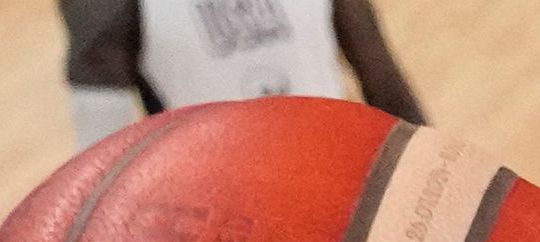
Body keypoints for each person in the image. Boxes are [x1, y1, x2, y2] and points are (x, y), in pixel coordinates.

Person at [61, 0, 424, 155]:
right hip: (219, 223)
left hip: (344, 182)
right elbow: (98, 173)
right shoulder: (102, 9)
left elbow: (383, 81)